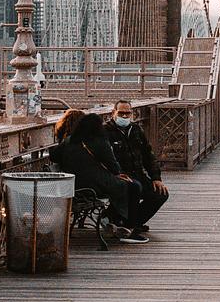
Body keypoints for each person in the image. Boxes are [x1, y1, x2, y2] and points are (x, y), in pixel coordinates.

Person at [54, 111, 149, 243]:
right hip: (95, 186)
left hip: (74, 185)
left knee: (125, 186)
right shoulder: (98, 141)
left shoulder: (69, 140)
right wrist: (118, 174)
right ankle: (128, 227)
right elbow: (112, 164)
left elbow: (54, 156)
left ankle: (112, 219)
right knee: (134, 186)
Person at [104, 101, 169, 234]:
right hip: (119, 177)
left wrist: (156, 178)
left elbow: (148, 155)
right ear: (113, 113)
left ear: (132, 113)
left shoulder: (136, 130)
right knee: (134, 188)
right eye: (121, 113)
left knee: (160, 194)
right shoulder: (105, 131)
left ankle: (135, 221)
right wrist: (115, 173)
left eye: (127, 113)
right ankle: (128, 224)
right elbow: (103, 158)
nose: (124, 116)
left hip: (138, 174)